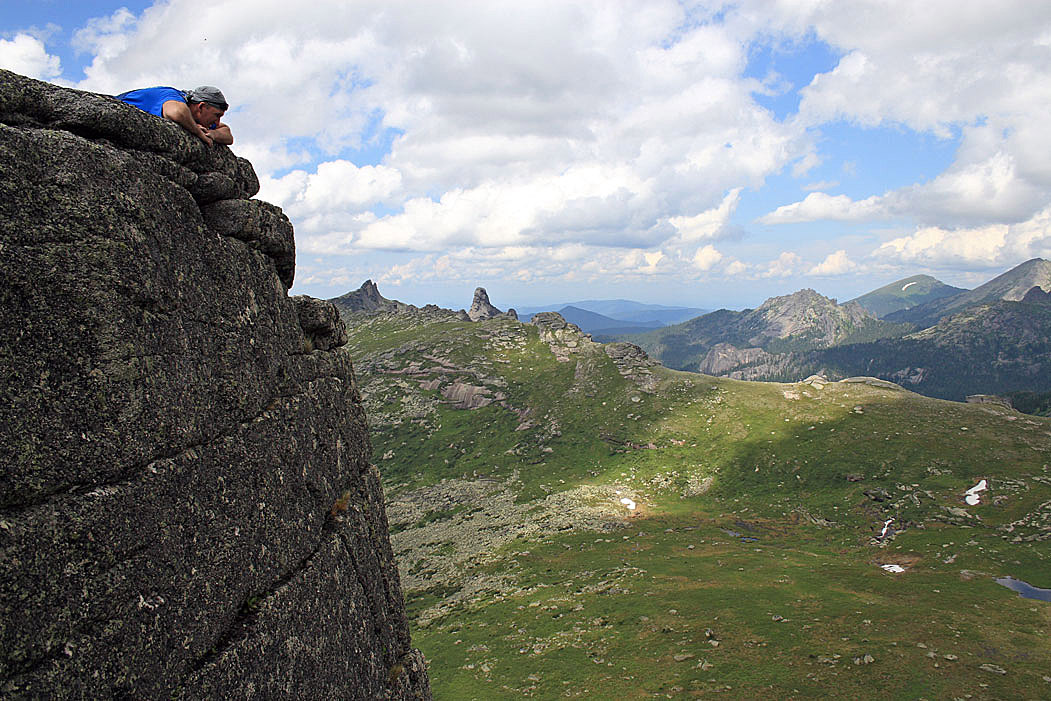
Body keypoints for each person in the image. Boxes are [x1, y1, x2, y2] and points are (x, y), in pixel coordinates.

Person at [115, 85, 233, 146]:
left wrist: (212, 134)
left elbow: (227, 133)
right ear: (201, 107)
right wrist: (198, 132)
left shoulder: (199, 118)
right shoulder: (172, 95)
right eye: (216, 115)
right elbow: (176, 112)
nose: (217, 122)